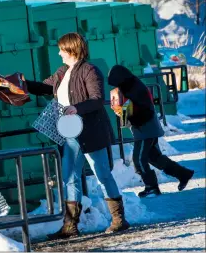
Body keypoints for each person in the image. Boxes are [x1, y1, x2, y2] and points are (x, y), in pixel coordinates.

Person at [26, 33, 130, 239]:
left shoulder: (90, 70)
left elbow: (97, 99)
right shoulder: (63, 71)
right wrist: (23, 83)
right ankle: (70, 226)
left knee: (102, 174)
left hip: (91, 133)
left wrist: (76, 107)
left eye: (61, 49)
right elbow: (45, 87)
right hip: (70, 134)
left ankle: (119, 219)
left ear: (72, 49)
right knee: (69, 178)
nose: (59, 53)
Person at [108, 65, 194, 198]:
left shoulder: (134, 89)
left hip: (145, 129)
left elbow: (142, 109)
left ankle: (151, 187)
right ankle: (183, 174)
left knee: (138, 159)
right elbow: (133, 107)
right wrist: (123, 112)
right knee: (154, 158)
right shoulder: (132, 86)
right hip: (145, 128)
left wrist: (126, 114)